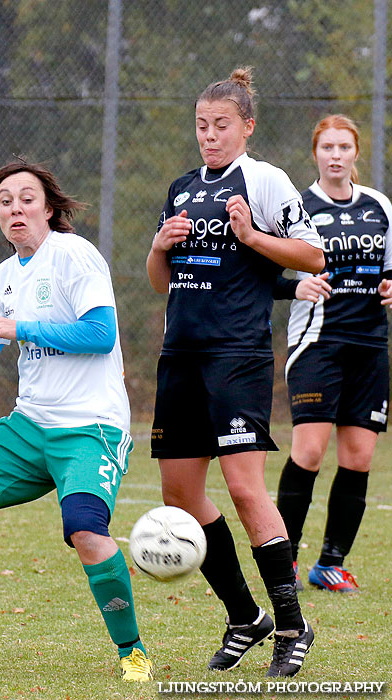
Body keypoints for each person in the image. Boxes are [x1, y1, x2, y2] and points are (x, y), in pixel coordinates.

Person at [0, 159, 153, 682]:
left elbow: (100, 336)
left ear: (48, 207)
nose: (15, 208)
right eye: (5, 201)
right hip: (29, 425)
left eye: (26, 198)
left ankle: (131, 650)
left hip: (91, 427)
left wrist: (23, 328)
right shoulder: (2, 277)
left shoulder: (74, 255)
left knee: (86, 531)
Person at [146, 67, 324, 677]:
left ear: (247, 127)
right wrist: (157, 247)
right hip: (181, 356)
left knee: (246, 489)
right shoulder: (181, 188)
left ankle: (294, 624)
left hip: (237, 355)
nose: (210, 136)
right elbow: (161, 283)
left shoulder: (266, 180)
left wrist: (251, 235)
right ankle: (245, 615)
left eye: (222, 125)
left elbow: (311, 254)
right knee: (180, 494)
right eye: (202, 126)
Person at [273, 114, 392, 594]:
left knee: (360, 456)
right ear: (316, 153)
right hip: (317, 343)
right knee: (310, 451)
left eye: (344, 147)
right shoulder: (298, 206)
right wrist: (295, 286)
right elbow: (268, 272)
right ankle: (282, 561)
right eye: (328, 147)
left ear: (355, 153)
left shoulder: (379, 206)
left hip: (370, 345)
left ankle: (330, 563)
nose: (336, 155)